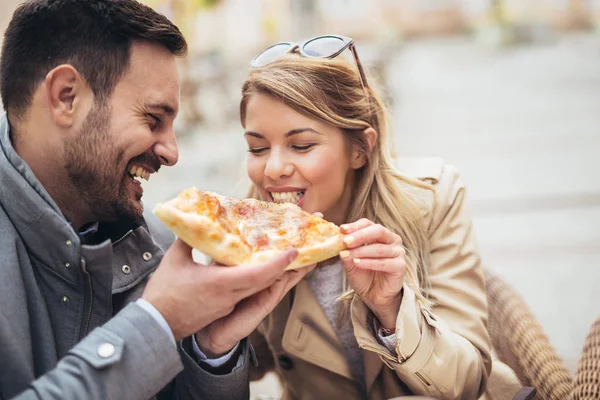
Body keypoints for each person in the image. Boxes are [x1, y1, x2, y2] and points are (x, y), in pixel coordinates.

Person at [0, 1, 313, 399]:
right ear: (65, 97)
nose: (171, 152)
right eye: (153, 119)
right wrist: (158, 321)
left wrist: (210, 351)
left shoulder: (156, 243)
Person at [239, 35, 521, 399]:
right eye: (257, 148)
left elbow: (466, 383)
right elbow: (245, 366)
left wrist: (391, 309)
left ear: (360, 148)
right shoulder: (244, 233)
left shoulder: (432, 199)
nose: (273, 169)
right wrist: (218, 321)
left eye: (302, 145)